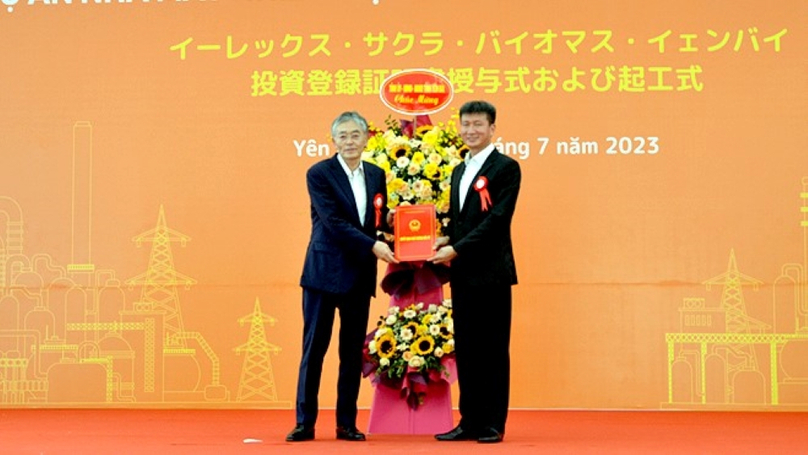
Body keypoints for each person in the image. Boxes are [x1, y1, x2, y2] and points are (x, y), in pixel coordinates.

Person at [286, 111, 398, 442]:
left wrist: (393, 224)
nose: (349, 141)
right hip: (323, 273)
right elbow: (333, 222)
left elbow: (374, 220)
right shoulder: (319, 173)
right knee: (314, 349)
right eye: (343, 136)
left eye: (355, 135)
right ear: (333, 140)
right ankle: (305, 422)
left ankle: (346, 423)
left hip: (359, 275)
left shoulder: (377, 175)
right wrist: (374, 245)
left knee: (351, 353)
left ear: (366, 139)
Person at [428, 100, 521, 444]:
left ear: (492, 128)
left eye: (478, 124)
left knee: (493, 349)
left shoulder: (506, 168)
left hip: (493, 272)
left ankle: (493, 423)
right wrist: (443, 240)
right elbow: (461, 222)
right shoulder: (458, 170)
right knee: (466, 349)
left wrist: (457, 247)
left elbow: (497, 221)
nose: (471, 130)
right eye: (465, 124)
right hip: (464, 273)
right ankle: (469, 420)